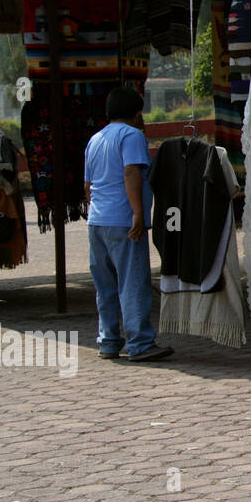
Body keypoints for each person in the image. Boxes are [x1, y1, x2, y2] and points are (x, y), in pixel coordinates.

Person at [83, 87, 173, 362]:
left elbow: (88, 185)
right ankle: (140, 343)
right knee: (133, 282)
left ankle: (109, 341)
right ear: (137, 114)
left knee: (106, 285)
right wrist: (137, 213)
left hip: (97, 220)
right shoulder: (132, 135)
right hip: (123, 220)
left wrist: (95, 211)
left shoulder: (95, 139)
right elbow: (131, 171)